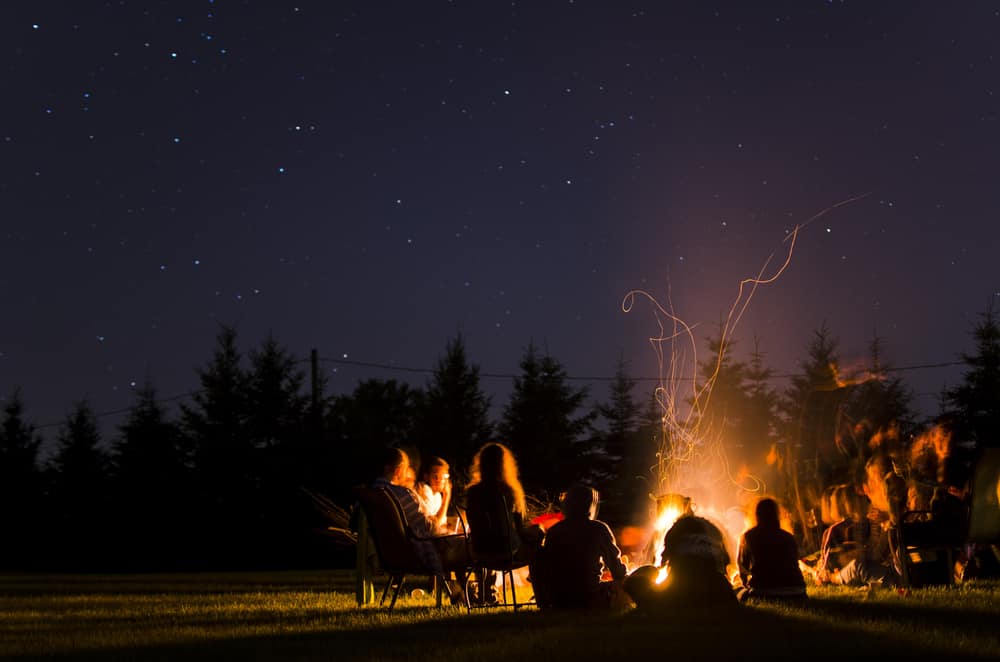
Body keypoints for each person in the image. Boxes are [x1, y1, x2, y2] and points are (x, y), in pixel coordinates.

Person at [371, 447, 466, 600]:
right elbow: (428, 528)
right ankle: (471, 595)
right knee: (466, 543)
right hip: (414, 553)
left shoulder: (371, 493)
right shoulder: (403, 494)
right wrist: (450, 534)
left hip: (390, 553)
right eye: (406, 468)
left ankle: (460, 593)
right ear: (398, 470)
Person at [464, 442, 544, 604]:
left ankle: (486, 593)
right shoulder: (507, 491)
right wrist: (538, 530)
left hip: (478, 552)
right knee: (539, 543)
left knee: (492, 541)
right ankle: (541, 593)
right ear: (504, 465)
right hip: (506, 553)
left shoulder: (472, 492)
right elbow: (520, 529)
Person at [532, 485, 628, 609]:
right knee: (629, 585)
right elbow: (617, 571)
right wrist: (627, 573)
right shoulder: (598, 529)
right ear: (590, 505)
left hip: (559, 601)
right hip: (590, 598)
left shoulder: (554, 531)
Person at [625, 510, 737, 610]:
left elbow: (663, 561)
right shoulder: (713, 531)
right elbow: (724, 562)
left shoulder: (674, 532)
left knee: (635, 582)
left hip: (678, 586)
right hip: (712, 587)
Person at [736, 498, 807, 603]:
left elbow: (743, 568)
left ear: (756, 515)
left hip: (764, 591)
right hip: (797, 592)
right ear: (777, 514)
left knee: (737, 592)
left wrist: (744, 582)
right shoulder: (788, 537)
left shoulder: (749, 536)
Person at [415, 456, 453, 529]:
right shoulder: (424, 490)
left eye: (444, 477)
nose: (441, 481)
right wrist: (447, 496)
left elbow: (442, 522)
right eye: (436, 476)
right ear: (426, 477)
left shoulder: (437, 496)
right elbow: (433, 526)